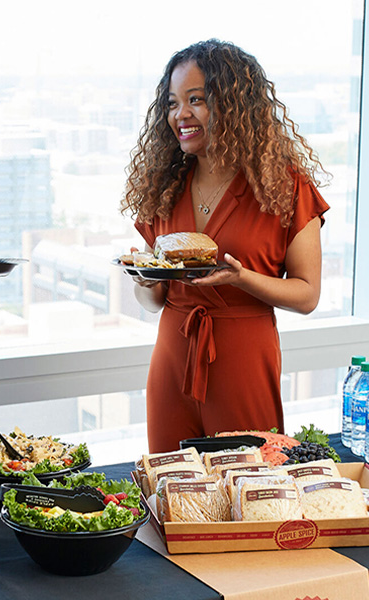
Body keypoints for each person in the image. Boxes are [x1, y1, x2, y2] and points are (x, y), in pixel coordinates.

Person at [121, 39, 329, 453]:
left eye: (195, 100)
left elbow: (307, 295)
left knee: (247, 491)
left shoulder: (284, 187)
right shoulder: (166, 186)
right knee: (172, 489)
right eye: (172, 103)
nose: (180, 115)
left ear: (234, 105)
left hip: (243, 357)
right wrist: (145, 279)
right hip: (172, 357)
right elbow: (153, 301)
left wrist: (242, 277)